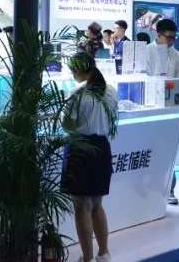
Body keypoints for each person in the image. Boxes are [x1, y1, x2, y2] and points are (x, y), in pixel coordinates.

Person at [60, 51, 118, 262]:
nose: (72, 74)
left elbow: (67, 124)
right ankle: (103, 253)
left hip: (80, 149)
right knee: (96, 204)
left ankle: (87, 258)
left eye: (72, 70)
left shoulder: (77, 94)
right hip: (102, 148)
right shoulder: (110, 91)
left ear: (78, 70)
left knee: (81, 206)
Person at [143, 18, 179, 205]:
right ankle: (148, 188)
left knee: (169, 150)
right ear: (158, 35)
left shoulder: (176, 55)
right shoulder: (147, 52)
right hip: (150, 108)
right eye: (168, 37)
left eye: (174, 38)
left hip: (170, 110)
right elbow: (144, 78)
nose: (171, 41)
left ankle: (169, 189)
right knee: (150, 150)